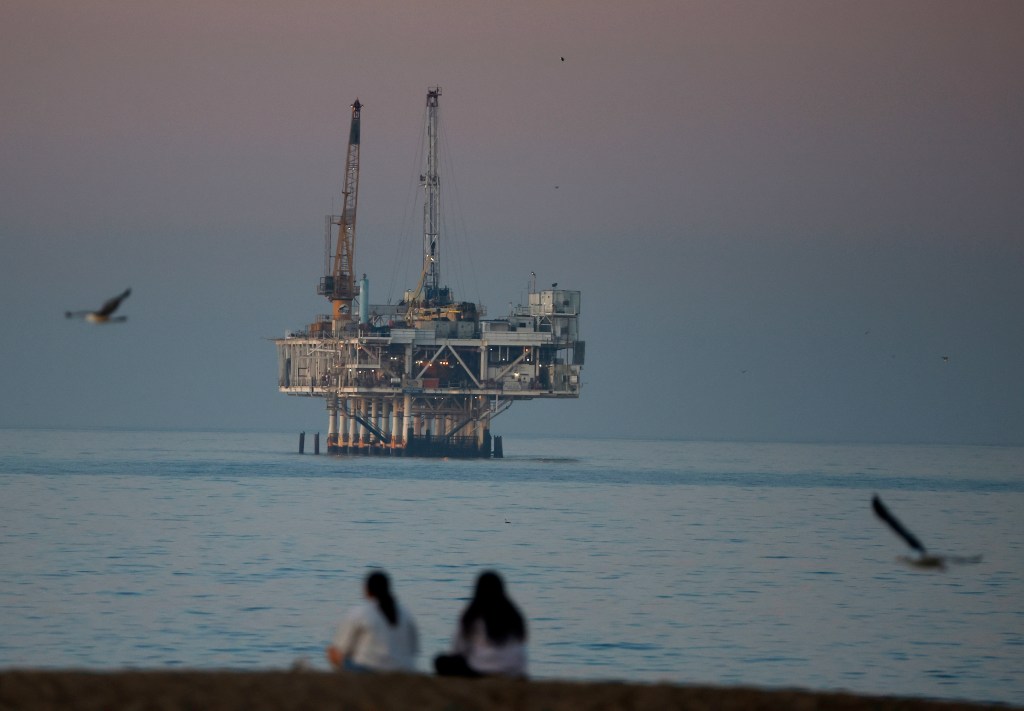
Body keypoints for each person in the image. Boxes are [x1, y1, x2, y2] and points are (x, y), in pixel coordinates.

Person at [434, 570, 528, 678]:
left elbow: (458, 650)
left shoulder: (471, 616)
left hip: (479, 671)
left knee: (440, 661)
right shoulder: (515, 616)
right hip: (513, 672)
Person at [326, 570, 419, 672]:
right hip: (405, 670)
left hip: (369, 670)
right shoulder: (406, 614)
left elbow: (340, 650)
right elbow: (413, 650)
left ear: (366, 590)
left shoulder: (360, 612)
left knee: (333, 652)